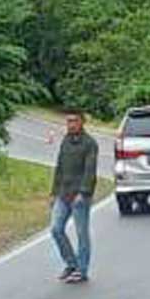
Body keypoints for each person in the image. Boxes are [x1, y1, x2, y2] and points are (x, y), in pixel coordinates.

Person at [50, 111, 98, 284]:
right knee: (56, 229)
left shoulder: (90, 143)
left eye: (74, 121)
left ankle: (82, 270)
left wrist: (83, 193)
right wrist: (54, 192)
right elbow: (59, 167)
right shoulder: (65, 141)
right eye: (68, 121)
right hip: (63, 193)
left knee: (81, 233)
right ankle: (71, 263)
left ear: (82, 122)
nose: (71, 124)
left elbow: (90, 171)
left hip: (80, 196)